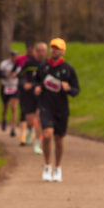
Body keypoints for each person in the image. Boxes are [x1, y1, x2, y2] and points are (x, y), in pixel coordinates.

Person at [34, 38, 80, 182]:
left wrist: (69, 89)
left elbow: (76, 90)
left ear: (63, 51)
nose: (54, 50)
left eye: (57, 48)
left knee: (58, 139)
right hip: (46, 106)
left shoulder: (68, 69)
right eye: (53, 47)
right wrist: (37, 87)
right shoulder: (43, 67)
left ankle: (57, 168)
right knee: (47, 135)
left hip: (61, 108)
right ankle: (47, 165)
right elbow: (36, 81)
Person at [17, 41, 44, 149]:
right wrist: (24, 83)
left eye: (43, 51)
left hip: (42, 95)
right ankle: (30, 129)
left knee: (40, 117)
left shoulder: (47, 64)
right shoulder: (29, 64)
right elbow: (21, 76)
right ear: (35, 52)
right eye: (39, 51)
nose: (41, 53)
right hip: (29, 95)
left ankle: (37, 143)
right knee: (30, 120)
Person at [0, 49, 20, 136]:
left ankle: (13, 128)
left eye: (15, 56)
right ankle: (4, 119)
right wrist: (6, 75)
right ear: (10, 56)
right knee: (5, 107)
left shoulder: (19, 65)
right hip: (5, 87)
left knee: (13, 107)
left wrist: (17, 75)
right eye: (12, 56)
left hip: (15, 87)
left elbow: (23, 74)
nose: (14, 58)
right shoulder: (4, 64)